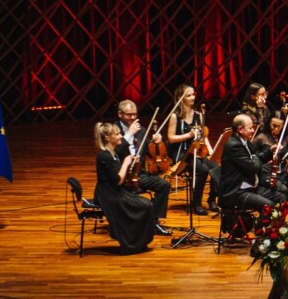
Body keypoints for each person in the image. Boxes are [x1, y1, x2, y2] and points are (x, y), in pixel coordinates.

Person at [93, 121, 159, 252]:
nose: (120, 136)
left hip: (115, 191)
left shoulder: (113, 153)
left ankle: (139, 241)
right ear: (108, 138)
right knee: (144, 206)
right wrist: (125, 163)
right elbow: (117, 180)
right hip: (108, 195)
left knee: (146, 204)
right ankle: (131, 243)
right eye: (117, 134)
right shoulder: (104, 156)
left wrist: (132, 162)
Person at [114, 100, 171, 233]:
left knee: (164, 185)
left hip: (139, 173)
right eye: (129, 115)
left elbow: (148, 151)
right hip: (122, 174)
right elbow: (116, 151)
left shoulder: (141, 130)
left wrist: (156, 143)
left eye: (135, 114)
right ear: (120, 114)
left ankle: (154, 222)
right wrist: (128, 134)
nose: (133, 117)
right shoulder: (114, 130)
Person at [164, 84, 220, 215]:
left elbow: (203, 135)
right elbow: (171, 138)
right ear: (181, 98)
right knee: (203, 169)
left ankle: (212, 199)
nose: (193, 97)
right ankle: (196, 203)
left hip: (198, 152)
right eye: (189, 95)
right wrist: (188, 135)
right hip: (182, 154)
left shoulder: (198, 115)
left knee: (216, 167)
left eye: (193, 94)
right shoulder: (175, 116)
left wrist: (211, 150)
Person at [220, 113, 286, 212]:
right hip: (238, 191)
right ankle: (263, 223)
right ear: (240, 129)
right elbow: (253, 167)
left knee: (281, 198)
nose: (253, 130)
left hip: (250, 186)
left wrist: (270, 150)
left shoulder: (245, 141)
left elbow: (257, 159)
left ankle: (276, 222)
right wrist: (255, 157)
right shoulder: (234, 146)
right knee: (269, 206)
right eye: (250, 128)